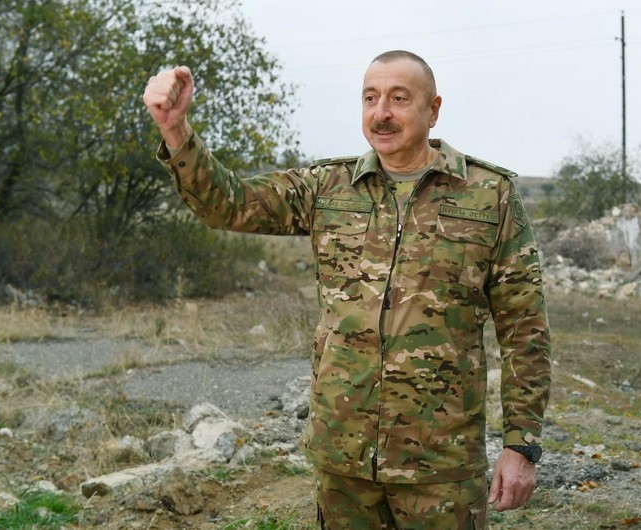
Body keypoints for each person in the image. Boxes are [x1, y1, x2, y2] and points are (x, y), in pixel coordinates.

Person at [143, 49, 551, 530]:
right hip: (343, 460)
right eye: (370, 98)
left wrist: (521, 445)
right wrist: (176, 130)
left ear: (433, 109)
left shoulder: (488, 196)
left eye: (399, 98)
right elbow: (229, 203)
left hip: (440, 465)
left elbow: (524, 328)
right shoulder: (327, 188)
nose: (382, 113)